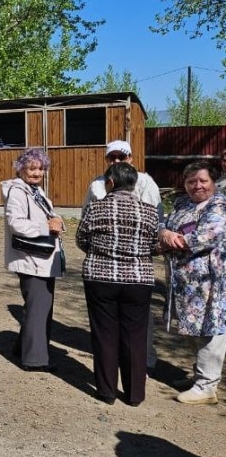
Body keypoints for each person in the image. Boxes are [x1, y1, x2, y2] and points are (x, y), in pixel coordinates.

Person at [76, 162, 159, 406]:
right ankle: (135, 395)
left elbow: (82, 239)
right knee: (135, 335)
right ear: (133, 184)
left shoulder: (96, 208)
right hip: (138, 279)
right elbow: (155, 246)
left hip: (100, 277)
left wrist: (102, 252)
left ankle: (106, 391)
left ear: (110, 182)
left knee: (105, 334)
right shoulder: (150, 211)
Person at [159, 161, 226, 405]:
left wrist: (172, 239)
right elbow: (164, 225)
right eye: (191, 181)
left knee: (210, 331)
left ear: (213, 182)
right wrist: (164, 233)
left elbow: (208, 235)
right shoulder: (182, 203)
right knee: (191, 329)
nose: (197, 186)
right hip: (183, 281)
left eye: (202, 181)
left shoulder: (220, 204)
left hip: (209, 281)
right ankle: (200, 375)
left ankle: (207, 386)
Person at [2, 147, 65, 372]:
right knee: (39, 308)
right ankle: (34, 359)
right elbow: (16, 223)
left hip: (41, 258)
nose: (37, 173)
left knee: (38, 306)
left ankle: (24, 348)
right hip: (32, 259)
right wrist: (46, 226)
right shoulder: (18, 192)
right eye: (32, 168)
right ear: (21, 169)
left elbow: (49, 219)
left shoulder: (36, 191)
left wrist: (56, 221)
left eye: (40, 168)